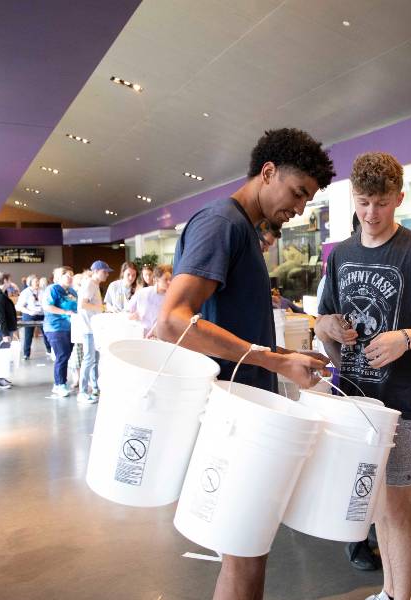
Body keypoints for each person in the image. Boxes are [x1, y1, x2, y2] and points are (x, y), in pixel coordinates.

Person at [157, 127, 335, 600]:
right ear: (268, 172)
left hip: (245, 408)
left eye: (307, 200)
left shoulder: (240, 229)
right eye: (298, 194)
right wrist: (275, 361)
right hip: (232, 413)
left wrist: (283, 360)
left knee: (246, 551)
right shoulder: (223, 224)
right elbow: (174, 322)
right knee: (246, 550)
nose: (299, 209)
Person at [316, 152, 411, 600]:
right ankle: (389, 592)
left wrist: (407, 339)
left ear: (399, 198)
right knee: (374, 501)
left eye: (380, 204)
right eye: (362, 203)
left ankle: (400, 596)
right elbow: (324, 327)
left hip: (404, 406)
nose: (371, 214)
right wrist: (328, 328)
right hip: (357, 402)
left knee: (395, 507)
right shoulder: (341, 256)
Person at [76, 261, 112, 404]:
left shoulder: (94, 284)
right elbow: (82, 304)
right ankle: (82, 392)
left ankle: (94, 387)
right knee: (89, 359)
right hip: (88, 328)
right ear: (96, 271)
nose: (107, 274)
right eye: (105, 271)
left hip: (93, 327)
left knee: (94, 359)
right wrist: (101, 308)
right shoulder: (90, 284)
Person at [42, 266, 77, 397]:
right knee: (62, 355)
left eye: (72, 275)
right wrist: (65, 312)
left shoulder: (73, 291)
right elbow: (47, 306)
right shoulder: (52, 289)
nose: (70, 278)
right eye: (67, 275)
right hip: (55, 327)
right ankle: (60, 384)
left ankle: (58, 384)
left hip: (71, 327)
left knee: (66, 355)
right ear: (59, 277)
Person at [0, 272, 19, 390]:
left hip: (5, 329)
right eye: (10, 280)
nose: (11, 282)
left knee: (4, 353)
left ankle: (2, 376)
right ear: (5, 281)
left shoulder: (3, 294)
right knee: (1, 354)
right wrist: (5, 333)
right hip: (1, 330)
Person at [127, 264, 172, 336]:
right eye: (166, 279)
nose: (169, 282)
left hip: (160, 335)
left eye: (170, 279)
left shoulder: (171, 298)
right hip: (141, 333)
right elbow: (127, 311)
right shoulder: (142, 293)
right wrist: (132, 315)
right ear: (157, 279)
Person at [16, 275, 51, 360]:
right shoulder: (25, 292)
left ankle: (49, 350)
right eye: (36, 282)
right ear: (30, 283)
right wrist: (30, 312)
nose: (38, 283)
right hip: (29, 315)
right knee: (28, 335)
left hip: (41, 314)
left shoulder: (43, 291)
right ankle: (26, 354)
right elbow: (19, 306)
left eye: (38, 281)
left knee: (47, 333)